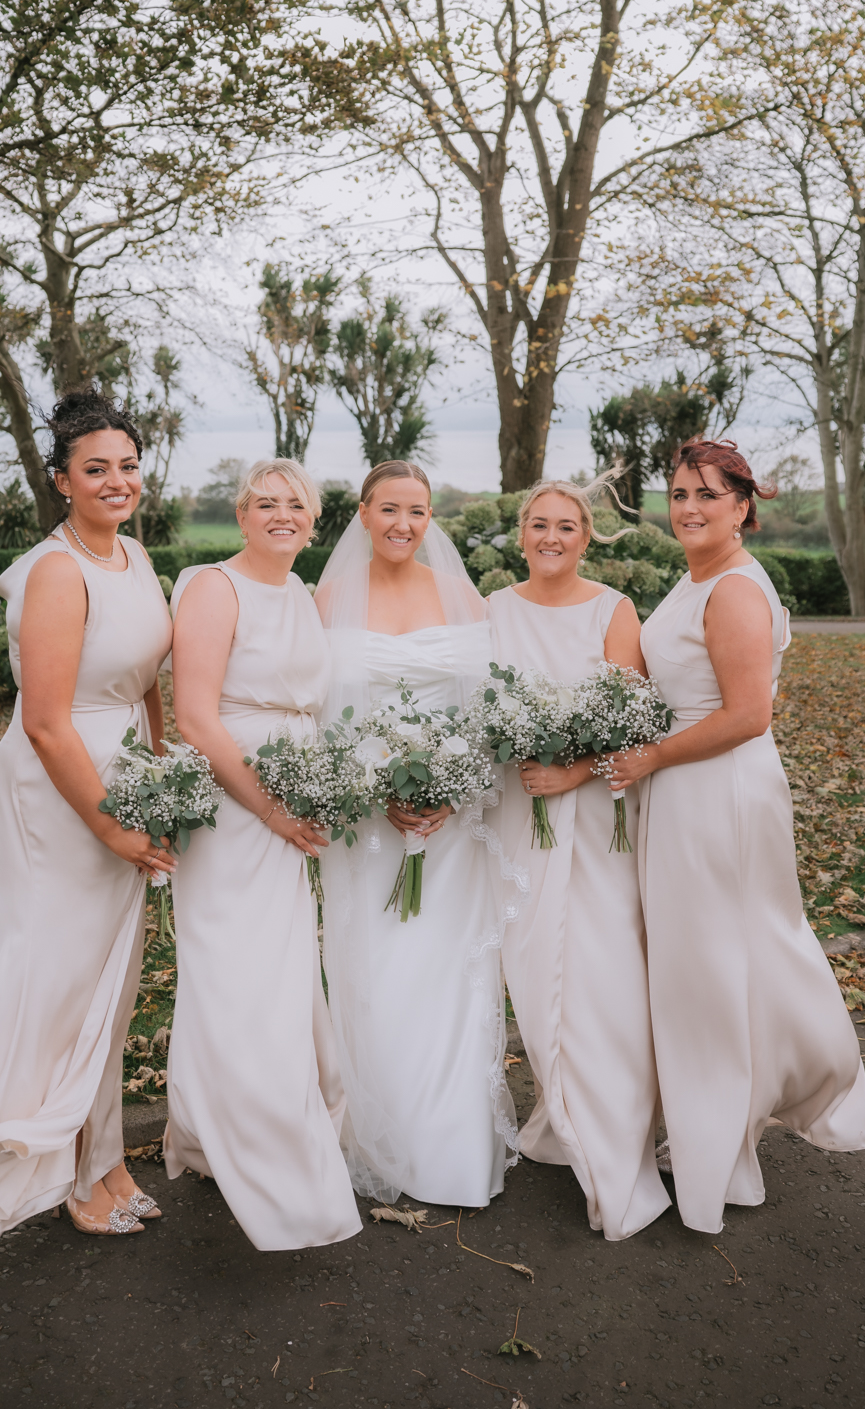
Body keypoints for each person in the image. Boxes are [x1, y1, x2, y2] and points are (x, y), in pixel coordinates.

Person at [609, 436, 865, 1234]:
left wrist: (649, 754)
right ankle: (718, 1124)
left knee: (710, 965)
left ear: (743, 506)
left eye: (707, 495)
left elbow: (747, 714)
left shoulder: (733, 590)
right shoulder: (694, 579)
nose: (689, 508)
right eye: (679, 494)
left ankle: (720, 1142)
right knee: (709, 961)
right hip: (686, 788)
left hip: (716, 789)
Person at [0, 391, 175, 1250]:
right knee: (64, 979)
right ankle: (69, 1167)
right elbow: (43, 720)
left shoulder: (134, 559)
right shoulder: (56, 571)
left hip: (126, 777)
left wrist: (163, 768)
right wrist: (111, 824)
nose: (116, 481)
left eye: (128, 466)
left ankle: (101, 1150)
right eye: (96, 469)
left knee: (111, 977)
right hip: (60, 791)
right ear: (62, 480)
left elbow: (145, 678)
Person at [315, 461, 523, 1207]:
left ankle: (452, 1142)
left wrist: (453, 782)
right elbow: (320, 713)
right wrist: (375, 791)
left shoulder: (461, 595)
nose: (404, 524)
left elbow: (485, 705)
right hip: (369, 822)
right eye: (390, 509)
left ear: (431, 518)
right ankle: (380, 1129)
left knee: (445, 968)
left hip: (451, 818)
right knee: (378, 962)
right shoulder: (329, 599)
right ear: (364, 512)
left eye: (419, 511)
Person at [166, 458, 361, 1251]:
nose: (282, 515)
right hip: (234, 802)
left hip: (292, 798)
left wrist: (312, 793)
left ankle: (247, 1126)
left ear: (312, 522)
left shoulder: (306, 597)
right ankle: (252, 1142)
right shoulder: (215, 587)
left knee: (280, 966)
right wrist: (272, 809)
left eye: (297, 505)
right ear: (242, 516)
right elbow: (195, 717)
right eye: (266, 503)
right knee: (232, 964)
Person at [489, 474, 671, 1241]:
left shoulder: (612, 609)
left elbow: (631, 721)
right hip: (515, 814)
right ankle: (559, 1114)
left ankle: (610, 1134)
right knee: (533, 970)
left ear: (587, 535)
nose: (552, 537)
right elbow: (480, 706)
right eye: (539, 524)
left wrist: (571, 770)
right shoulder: (494, 609)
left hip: (594, 816)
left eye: (567, 526)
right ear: (521, 533)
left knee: (599, 972)